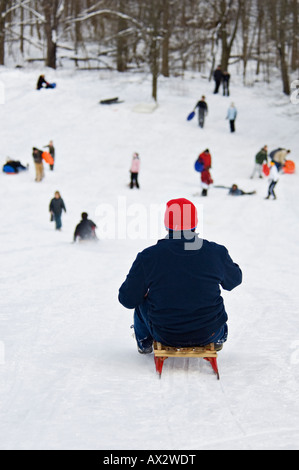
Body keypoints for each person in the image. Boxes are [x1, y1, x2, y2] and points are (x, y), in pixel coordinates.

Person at [119, 198, 242, 354]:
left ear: (166, 224)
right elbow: (234, 280)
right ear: (195, 223)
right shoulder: (215, 252)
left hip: (164, 335)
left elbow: (128, 299)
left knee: (140, 300)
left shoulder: (149, 256)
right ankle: (216, 340)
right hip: (210, 333)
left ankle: (145, 342)